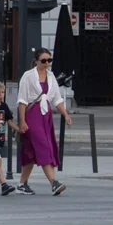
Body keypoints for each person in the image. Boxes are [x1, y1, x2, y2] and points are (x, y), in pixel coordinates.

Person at [16, 48, 71, 196]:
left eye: (49, 60)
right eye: (44, 61)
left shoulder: (51, 77)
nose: (47, 63)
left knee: (30, 151)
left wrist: (65, 114)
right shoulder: (28, 77)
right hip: (32, 115)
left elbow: (57, 99)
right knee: (43, 146)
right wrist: (22, 121)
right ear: (36, 61)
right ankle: (54, 182)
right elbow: (22, 100)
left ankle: (22, 183)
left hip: (45, 115)